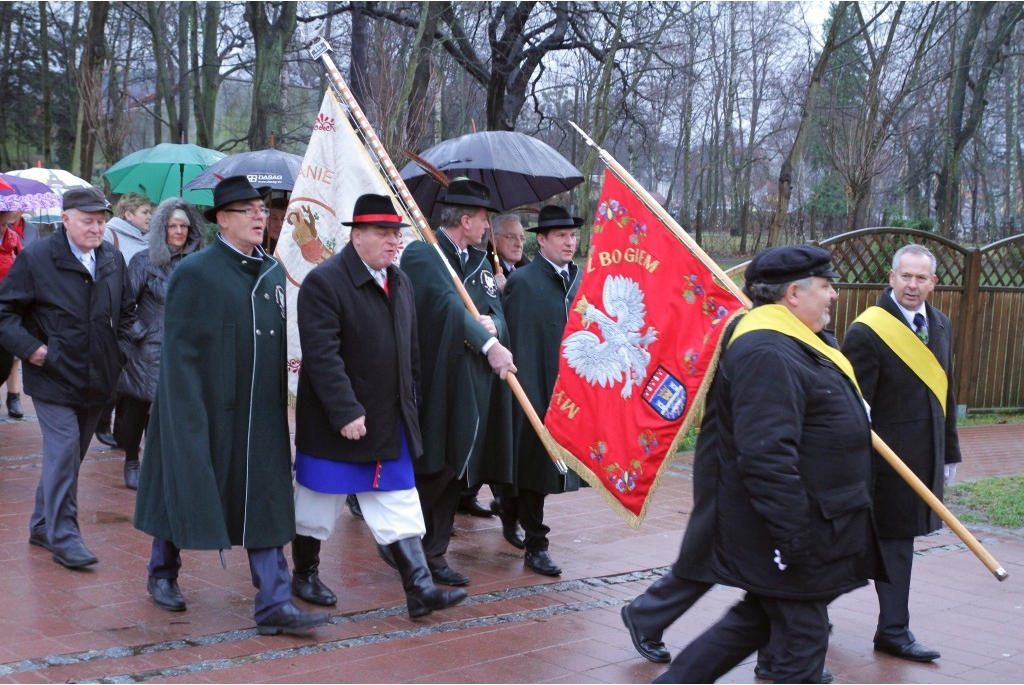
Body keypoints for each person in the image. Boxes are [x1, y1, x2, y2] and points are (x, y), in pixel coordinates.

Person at [653, 245, 880, 684]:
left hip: (813, 524)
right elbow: (766, 455)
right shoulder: (767, 351)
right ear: (793, 293)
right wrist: (794, 538)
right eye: (826, 286)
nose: (833, 295)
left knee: (753, 622)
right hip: (792, 529)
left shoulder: (796, 343)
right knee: (803, 639)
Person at [133, 176, 328, 636]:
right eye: (248, 210)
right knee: (187, 483)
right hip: (201, 408)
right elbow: (179, 353)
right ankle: (162, 571)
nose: (260, 216)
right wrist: (184, 418)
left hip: (260, 416)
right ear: (222, 219)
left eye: (262, 209)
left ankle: (274, 604)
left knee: (264, 501)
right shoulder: (195, 272)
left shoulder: (273, 272)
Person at [289, 193, 468, 619]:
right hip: (339, 423)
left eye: (396, 234)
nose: (393, 242)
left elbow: (412, 352)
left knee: (400, 502)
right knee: (315, 505)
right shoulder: (324, 282)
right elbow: (322, 355)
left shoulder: (400, 281)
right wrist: (345, 411)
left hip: (390, 422)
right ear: (358, 236)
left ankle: (420, 589)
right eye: (383, 234)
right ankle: (305, 573)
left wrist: (414, 401)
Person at [0, 187, 134, 569]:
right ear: (65, 219)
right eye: (88, 221)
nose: (96, 228)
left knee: (69, 458)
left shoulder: (111, 258)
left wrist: (118, 350)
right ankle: (65, 537)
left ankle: (43, 525)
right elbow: (4, 311)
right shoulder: (38, 258)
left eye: (101, 221)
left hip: (97, 377)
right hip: (53, 375)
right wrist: (34, 350)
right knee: (63, 451)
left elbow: (125, 312)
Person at [841, 243, 961, 663]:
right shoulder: (867, 331)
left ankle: (891, 629)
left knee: (896, 544)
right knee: (860, 543)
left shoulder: (940, 324)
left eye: (920, 277)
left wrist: (949, 453)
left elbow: (945, 393)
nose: (912, 285)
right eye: (904, 276)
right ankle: (808, 616)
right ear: (890, 278)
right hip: (880, 465)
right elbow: (854, 407)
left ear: (933, 282)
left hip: (921, 458)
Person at [399, 177, 517, 587]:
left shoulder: (482, 264)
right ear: (464, 220)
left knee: (458, 468)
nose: (489, 228)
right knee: (436, 464)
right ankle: (402, 541)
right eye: (484, 220)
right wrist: (486, 342)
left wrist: (493, 325)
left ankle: (434, 555)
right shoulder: (424, 255)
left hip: (474, 382)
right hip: (436, 379)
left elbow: (498, 312)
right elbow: (445, 307)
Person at [499, 206, 583, 576]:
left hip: (571, 391)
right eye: (561, 236)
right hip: (533, 391)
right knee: (535, 464)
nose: (569, 242)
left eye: (573, 235)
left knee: (547, 469)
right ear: (543, 240)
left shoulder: (581, 281)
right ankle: (537, 544)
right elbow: (513, 339)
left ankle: (510, 506)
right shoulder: (524, 283)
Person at [113, 198, 206, 490]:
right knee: (138, 407)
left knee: (171, 410)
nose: (178, 231)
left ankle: (159, 464)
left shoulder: (200, 262)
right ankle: (131, 458)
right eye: (172, 225)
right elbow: (125, 305)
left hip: (186, 347)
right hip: (148, 348)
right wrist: (141, 332)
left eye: (183, 226)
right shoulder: (145, 260)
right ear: (161, 229)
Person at [96, 192, 154, 448]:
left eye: (150, 212)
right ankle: (100, 422)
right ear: (127, 214)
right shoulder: (111, 233)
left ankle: (122, 432)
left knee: (130, 375)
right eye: (144, 212)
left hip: (141, 315)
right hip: (115, 313)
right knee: (113, 369)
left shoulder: (152, 240)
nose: (149, 218)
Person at [5, 211, 39, 418]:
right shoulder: (5, 228)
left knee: (14, 347)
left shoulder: (32, 229)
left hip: (18, 293)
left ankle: (13, 395)